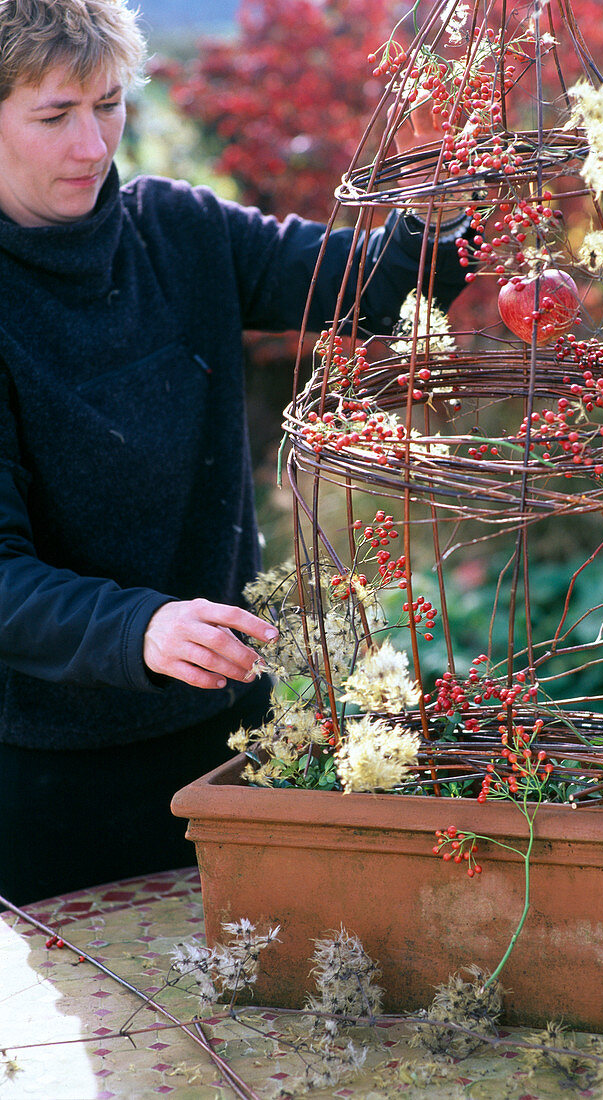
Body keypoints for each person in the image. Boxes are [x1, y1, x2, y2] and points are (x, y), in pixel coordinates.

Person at [0, 0, 468, 904]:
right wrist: (141, 627)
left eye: (108, 104)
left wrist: (432, 221)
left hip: (231, 737)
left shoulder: (177, 230)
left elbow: (370, 289)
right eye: (55, 117)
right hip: (50, 780)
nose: (93, 146)